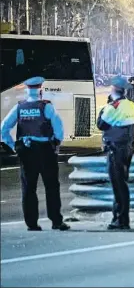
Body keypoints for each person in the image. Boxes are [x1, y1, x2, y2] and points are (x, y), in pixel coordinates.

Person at [0, 77, 70, 231]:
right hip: (45, 150)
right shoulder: (46, 107)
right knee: (51, 186)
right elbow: (59, 129)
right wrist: (56, 144)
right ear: (40, 89)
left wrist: (14, 146)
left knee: (28, 188)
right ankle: (56, 221)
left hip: (26, 151)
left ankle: (32, 224)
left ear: (26, 89)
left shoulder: (19, 107)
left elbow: (3, 129)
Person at [96, 76, 134, 230]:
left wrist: (106, 105)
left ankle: (121, 219)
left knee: (118, 185)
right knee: (122, 183)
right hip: (128, 149)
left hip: (115, 150)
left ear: (114, 89)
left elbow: (100, 124)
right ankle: (119, 217)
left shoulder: (113, 106)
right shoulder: (132, 106)